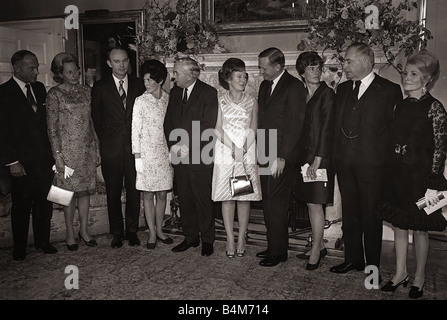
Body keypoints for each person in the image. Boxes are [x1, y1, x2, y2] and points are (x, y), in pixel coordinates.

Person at [378, 50, 447, 298]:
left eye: (413, 74)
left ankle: (419, 277)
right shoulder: (401, 105)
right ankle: (400, 273)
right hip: (398, 175)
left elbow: (440, 149)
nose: (407, 78)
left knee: (420, 229)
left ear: (426, 79)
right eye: (406, 73)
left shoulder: (435, 108)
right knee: (399, 225)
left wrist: (434, 183)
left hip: (424, 180)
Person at [331, 43, 403, 275]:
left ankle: (372, 267)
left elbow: (394, 132)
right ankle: (353, 259)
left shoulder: (389, 90)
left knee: (372, 216)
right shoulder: (342, 90)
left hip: (373, 167)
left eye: (348, 61)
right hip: (345, 164)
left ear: (365, 61)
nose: (345, 65)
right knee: (349, 214)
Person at [0, 50, 56, 260]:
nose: (36, 71)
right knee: (22, 207)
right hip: (20, 162)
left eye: (36, 67)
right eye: (32, 67)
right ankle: (20, 248)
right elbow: (2, 132)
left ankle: (44, 241)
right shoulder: (4, 93)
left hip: (43, 160)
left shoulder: (40, 89)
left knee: (45, 203)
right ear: (17, 68)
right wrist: (12, 162)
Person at [256, 47, 307, 267]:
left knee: (277, 204)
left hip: (280, 158)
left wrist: (282, 157)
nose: (260, 72)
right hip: (264, 153)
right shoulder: (265, 85)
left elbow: (295, 125)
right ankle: (274, 245)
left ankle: (278, 253)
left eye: (263, 68)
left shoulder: (294, 86)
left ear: (278, 66)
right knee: (268, 203)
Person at [91, 46, 145, 249]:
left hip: (134, 149)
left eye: (124, 60)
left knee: (133, 190)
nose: (121, 65)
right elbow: (96, 119)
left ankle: (132, 231)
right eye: (116, 61)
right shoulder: (100, 87)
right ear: (109, 63)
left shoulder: (140, 84)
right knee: (112, 192)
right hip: (111, 149)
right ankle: (116, 232)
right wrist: (106, 141)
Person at [164, 56, 218, 256]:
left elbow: (208, 125)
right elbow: (168, 122)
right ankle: (190, 237)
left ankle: (208, 240)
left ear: (191, 74)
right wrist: (174, 146)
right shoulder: (175, 92)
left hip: (200, 155)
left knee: (203, 199)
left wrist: (187, 145)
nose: (173, 76)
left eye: (177, 73)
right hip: (179, 155)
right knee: (184, 198)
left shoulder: (209, 93)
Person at [46, 52, 99, 251]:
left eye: (76, 71)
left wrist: (97, 147)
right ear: (60, 74)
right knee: (67, 195)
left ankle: (84, 231)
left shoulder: (86, 91)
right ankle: (69, 234)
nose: (75, 75)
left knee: (85, 194)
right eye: (69, 72)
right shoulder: (54, 94)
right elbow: (52, 128)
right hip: (66, 153)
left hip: (86, 150)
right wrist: (57, 156)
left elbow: (90, 121)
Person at [211, 58, 262, 258]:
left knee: (243, 196)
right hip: (225, 151)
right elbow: (217, 128)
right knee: (227, 197)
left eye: (245, 76)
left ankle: (242, 236)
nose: (243, 80)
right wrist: (233, 148)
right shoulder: (220, 100)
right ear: (229, 79)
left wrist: (242, 150)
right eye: (239, 76)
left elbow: (254, 128)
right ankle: (230, 238)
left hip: (246, 152)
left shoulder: (252, 101)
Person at [294, 51, 336, 270]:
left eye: (319, 67)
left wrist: (318, 161)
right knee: (311, 204)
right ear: (302, 71)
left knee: (315, 204)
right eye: (311, 68)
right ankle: (316, 246)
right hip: (304, 159)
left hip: (320, 159)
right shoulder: (302, 94)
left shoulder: (327, 94)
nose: (316, 71)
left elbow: (327, 130)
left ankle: (317, 251)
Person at [132, 59, 174, 249]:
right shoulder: (140, 101)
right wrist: (137, 156)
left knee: (163, 194)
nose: (146, 83)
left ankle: (159, 230)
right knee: (148, 195)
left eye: (149, 80)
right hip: (146, 154)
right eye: (145, 80)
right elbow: (135, 130)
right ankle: (150, 232)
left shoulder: (168, 99)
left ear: (159, 80)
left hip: (164, 153)